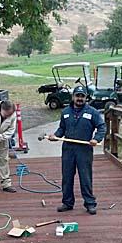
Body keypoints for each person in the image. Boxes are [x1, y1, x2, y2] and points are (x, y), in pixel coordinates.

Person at [48, 85, 106, 215]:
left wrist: (96, 139)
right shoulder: (66, 112)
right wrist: (56, 136)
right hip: (68, 148)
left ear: (86, 97)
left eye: (82, 96)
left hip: (84, 149)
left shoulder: (92, 112)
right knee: (67, 177)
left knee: (85, 177)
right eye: (77, 95)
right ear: (73, 97)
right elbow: (62, 129)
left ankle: (90, 203)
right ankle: (67, 203)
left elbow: (102, 127)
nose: (79, 98)